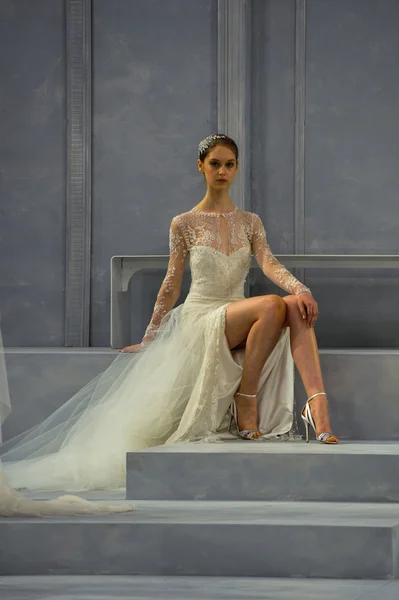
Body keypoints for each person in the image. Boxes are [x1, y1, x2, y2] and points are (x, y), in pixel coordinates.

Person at [0, 133, 338, 497]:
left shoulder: (250, 222)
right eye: (214, 164)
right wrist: (151, 338)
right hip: (201, 316)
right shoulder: (184, 223)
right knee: (274, 304)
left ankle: (318, 409)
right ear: (201, 167)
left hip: (238, 313)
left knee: (291, 304)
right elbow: (171, 284)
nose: (222, 171)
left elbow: (269, 263)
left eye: (229, 164)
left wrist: (300, 288)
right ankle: (247, 401)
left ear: (237, 168)